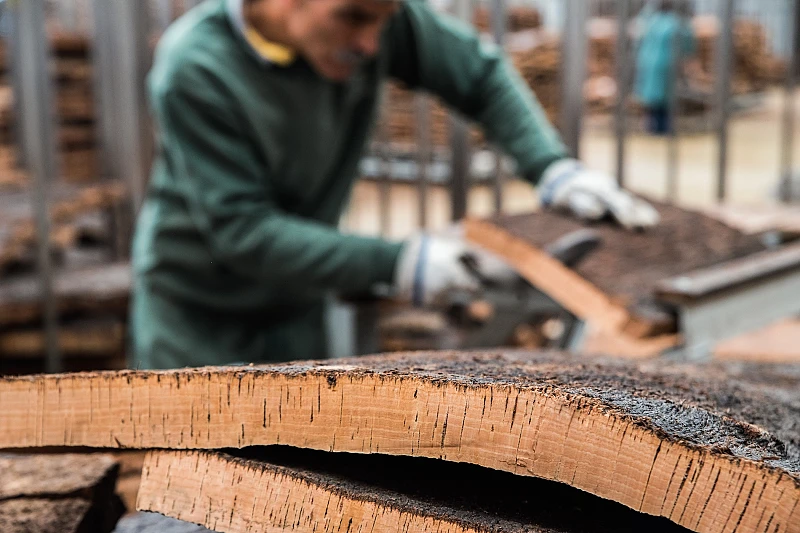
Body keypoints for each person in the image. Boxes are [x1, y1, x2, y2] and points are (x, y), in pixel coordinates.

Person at [132, 0, 660, 369]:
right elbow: (242, 231)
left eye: (384, 20)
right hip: (198, 315)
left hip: (295, 304)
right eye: (355, 17)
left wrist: (551, 168)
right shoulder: (195, 68)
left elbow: (478, 73)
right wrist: (399, 261)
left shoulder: (377, 18)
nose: (370, 43)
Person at [635, 0, 699, 135]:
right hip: (668, 63)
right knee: (666, 97)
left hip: (647, 61)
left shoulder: (650, 20)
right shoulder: (678, 22)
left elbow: (638, 39)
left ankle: (652, 126)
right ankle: (664, 127)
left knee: (652, 97)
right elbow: (689, 45)